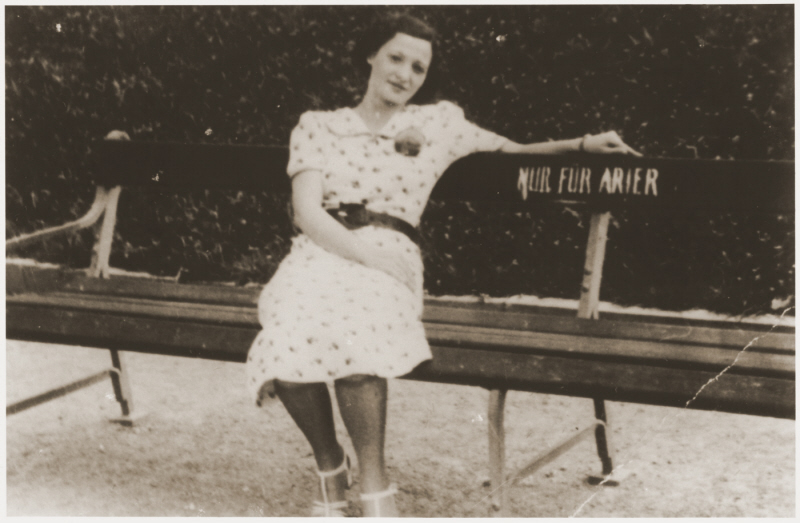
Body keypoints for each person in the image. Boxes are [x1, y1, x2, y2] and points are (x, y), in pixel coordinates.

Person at [245, 13, 640, 517]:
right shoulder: (319, 125)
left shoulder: (440, 123)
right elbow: (306, 211)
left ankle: (374, 486)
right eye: (396, 58)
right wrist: (365, 255)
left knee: (358, 337)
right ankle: (329, 465)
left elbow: (513, 153)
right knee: (284, 341)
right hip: (323, 250)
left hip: (392, 250)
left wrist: (583, 145)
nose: (405, 74)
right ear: (371, 55)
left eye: (418, 67)